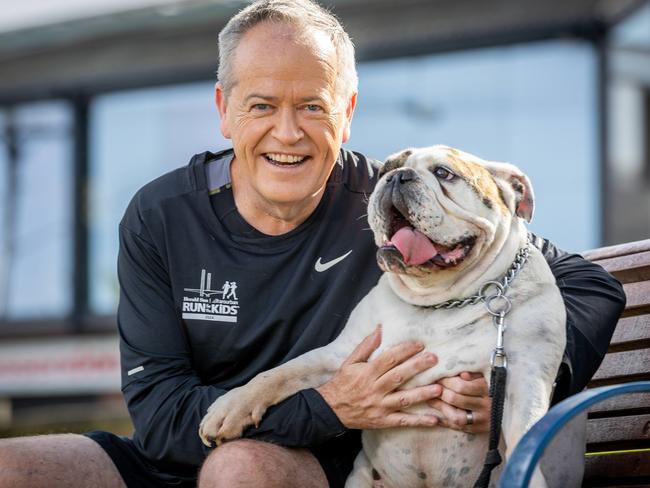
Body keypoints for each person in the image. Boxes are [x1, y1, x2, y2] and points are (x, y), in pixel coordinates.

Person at [0, 1, 625, 487]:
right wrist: (326, 405)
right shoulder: (160, 215)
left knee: (240, 469)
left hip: (310, 468)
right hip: (176, 460)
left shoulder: (393, 204)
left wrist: (518, 382)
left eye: (312, 106)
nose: (288, 131)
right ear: (224, 109)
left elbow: (585, 282)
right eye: (262, 105)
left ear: (347, 111)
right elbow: (162, 421)